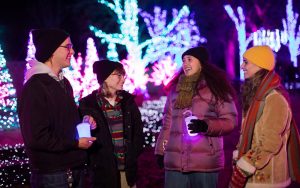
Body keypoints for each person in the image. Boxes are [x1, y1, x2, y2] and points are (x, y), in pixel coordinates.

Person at [17, 28, 96, 188]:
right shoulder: (35, 87)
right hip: (52, 175)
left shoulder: (63, 82)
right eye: (67, 46)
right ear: (51, 50)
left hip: (73, 169)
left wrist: (84, 120)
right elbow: (37, 138)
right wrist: (75, 144)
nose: (72, 51)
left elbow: (62, 120)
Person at [154, 46, 238, 188]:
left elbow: (230, 121)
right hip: (175, 163)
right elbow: (167, 124)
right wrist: (160, 151)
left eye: (190, 60)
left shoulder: (216, 88)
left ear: (201, 63)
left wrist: (206, 126)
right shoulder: (175, 91)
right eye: (183, 60)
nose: (185, 63)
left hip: (205, 163)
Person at [229, 45, 300, 188]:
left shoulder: (274, 98)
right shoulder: (256, 96)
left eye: (246, 62)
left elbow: (270, 141)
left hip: (267, 179)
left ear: (260, 65)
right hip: (254, 177)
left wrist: (244, 166)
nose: (242, 66)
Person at [78, 60, 144, 188]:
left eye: (123, 75)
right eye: (118, 75)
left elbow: (138, 131)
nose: (123, 79)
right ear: (105, 78)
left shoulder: (128, 101)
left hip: (128, 170)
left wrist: (133, 153)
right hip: (103, 173)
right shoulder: (88, 104)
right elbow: (82, 134)